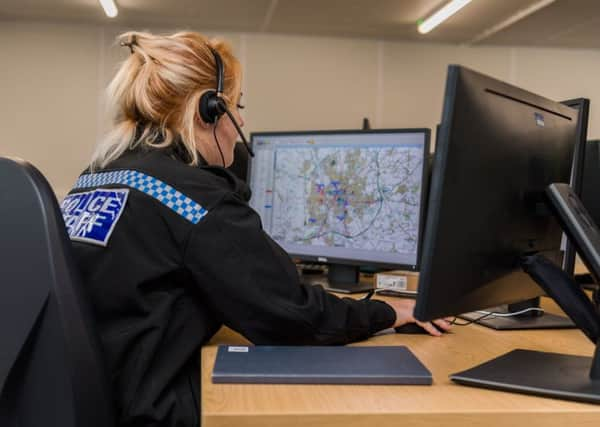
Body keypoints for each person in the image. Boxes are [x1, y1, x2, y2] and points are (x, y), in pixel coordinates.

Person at [61, 31, 451, 427]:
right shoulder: (194, 200)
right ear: (207, 111)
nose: (241, 120)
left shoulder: (97, 176)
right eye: (235, 105)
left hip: (91, 396)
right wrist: (387, 311)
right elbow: (293, 316)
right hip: (152, 408)